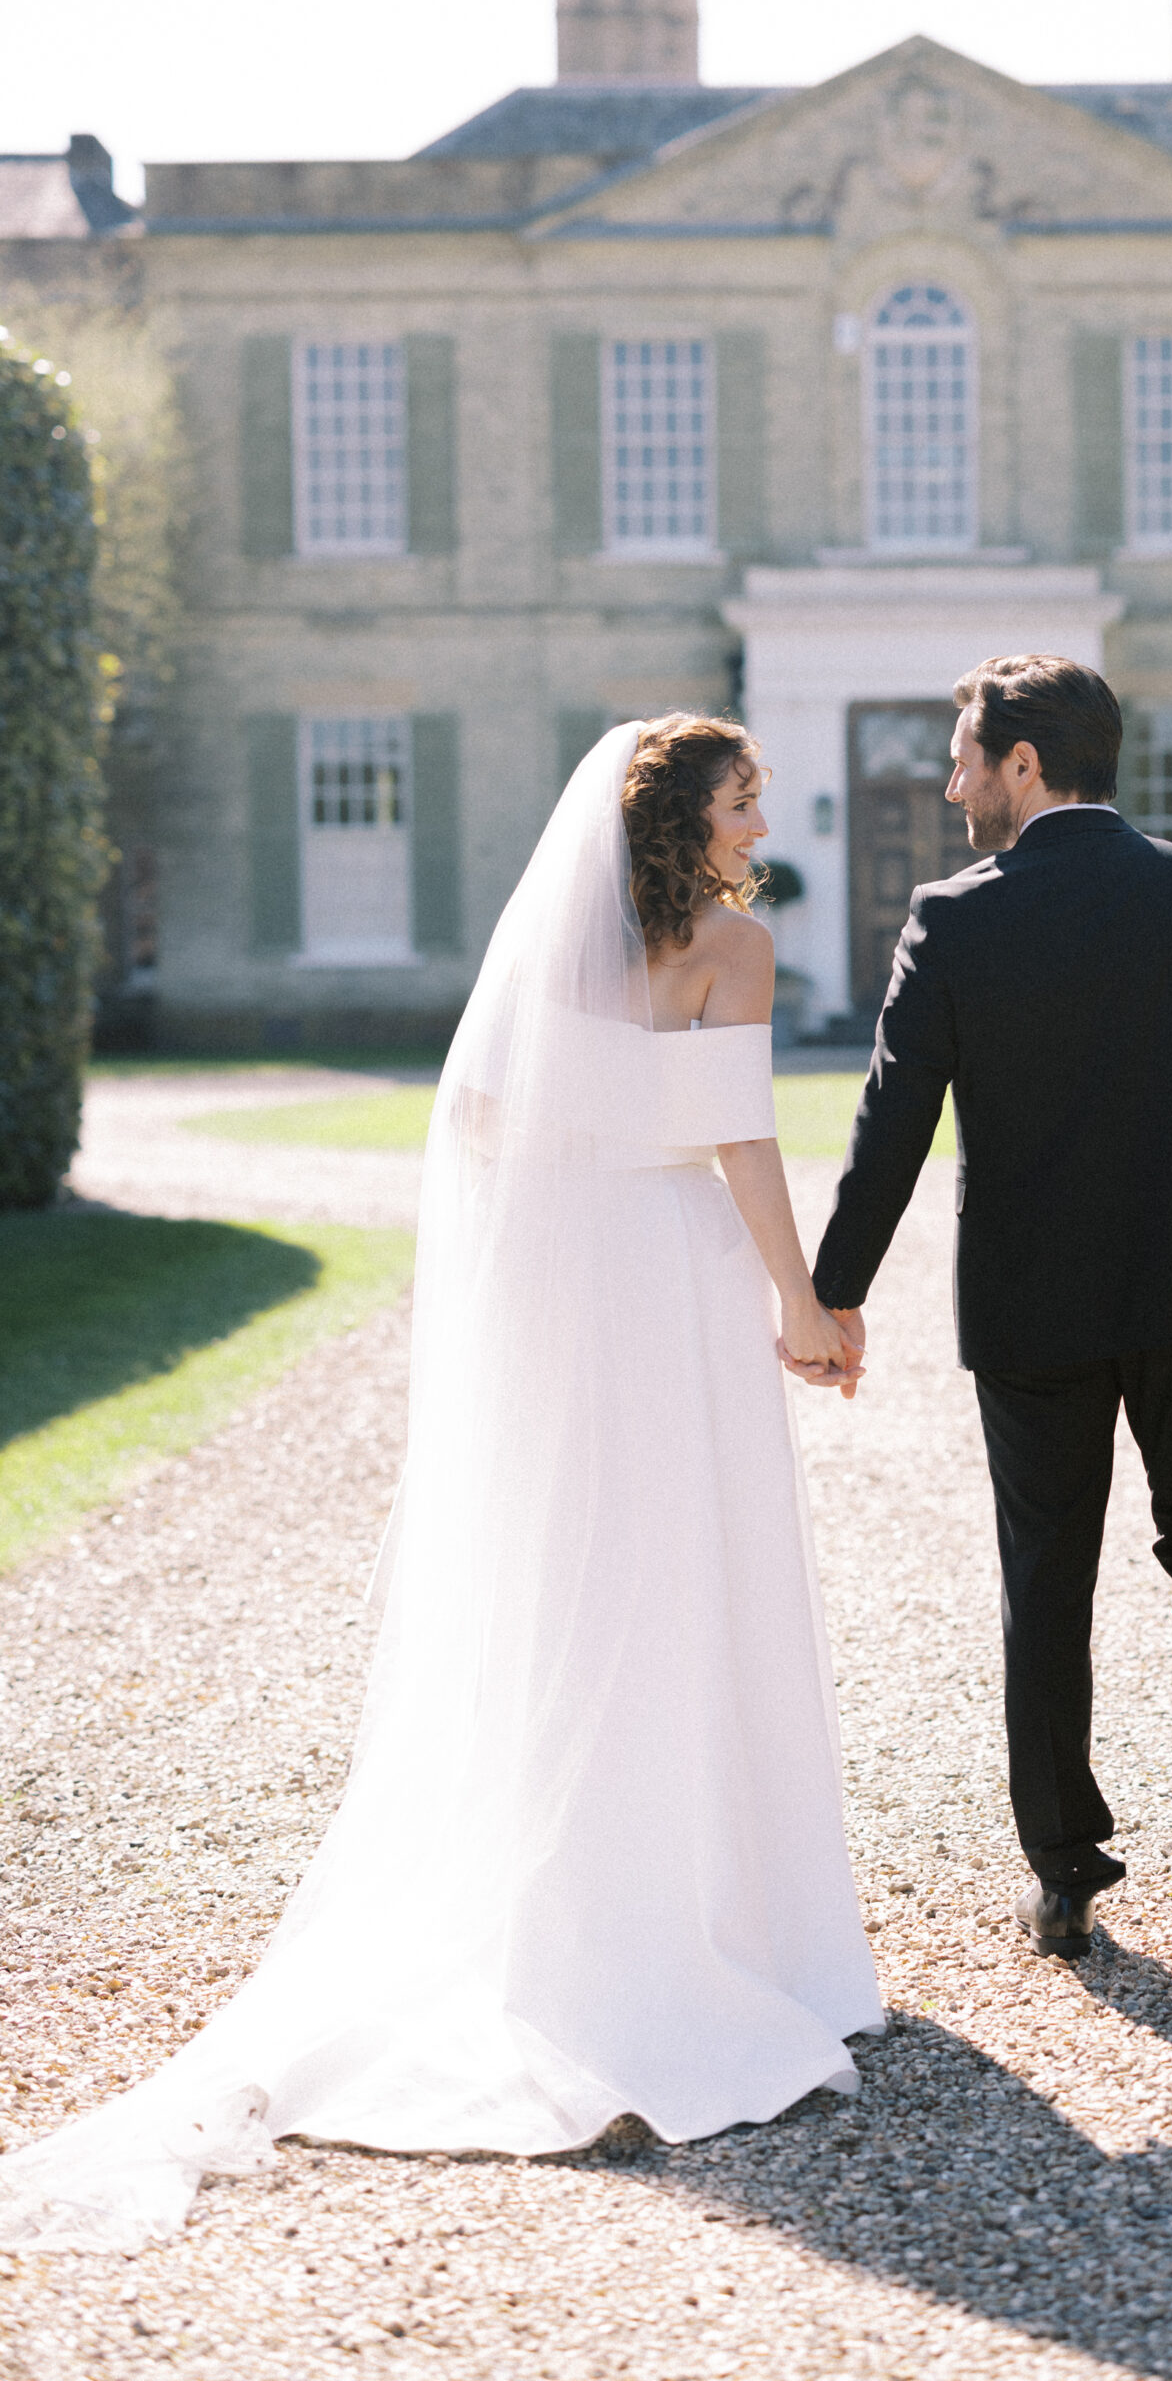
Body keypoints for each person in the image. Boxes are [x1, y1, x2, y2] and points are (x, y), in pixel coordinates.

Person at [0, 716, 882, 2253]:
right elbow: (741, 1134)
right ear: (692, 820)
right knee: (692, 1570)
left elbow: (482, 1121)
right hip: (671, 1277)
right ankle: (710, 1932)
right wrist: (798, 1298)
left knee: (577, 1574)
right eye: (743, 799)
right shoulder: (732, 951)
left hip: (571, 1288)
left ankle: (571, 1906)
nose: (758, 820)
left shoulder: (557, 959)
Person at [801, 656, 1172, 1963]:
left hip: (1032, 1307)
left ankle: (1066, 1872)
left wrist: (835, 1294)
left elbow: (891, 1131)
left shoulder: (955, 918)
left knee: (1047, 1574)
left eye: (967, 755)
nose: (955, 781)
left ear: (1025, 764)